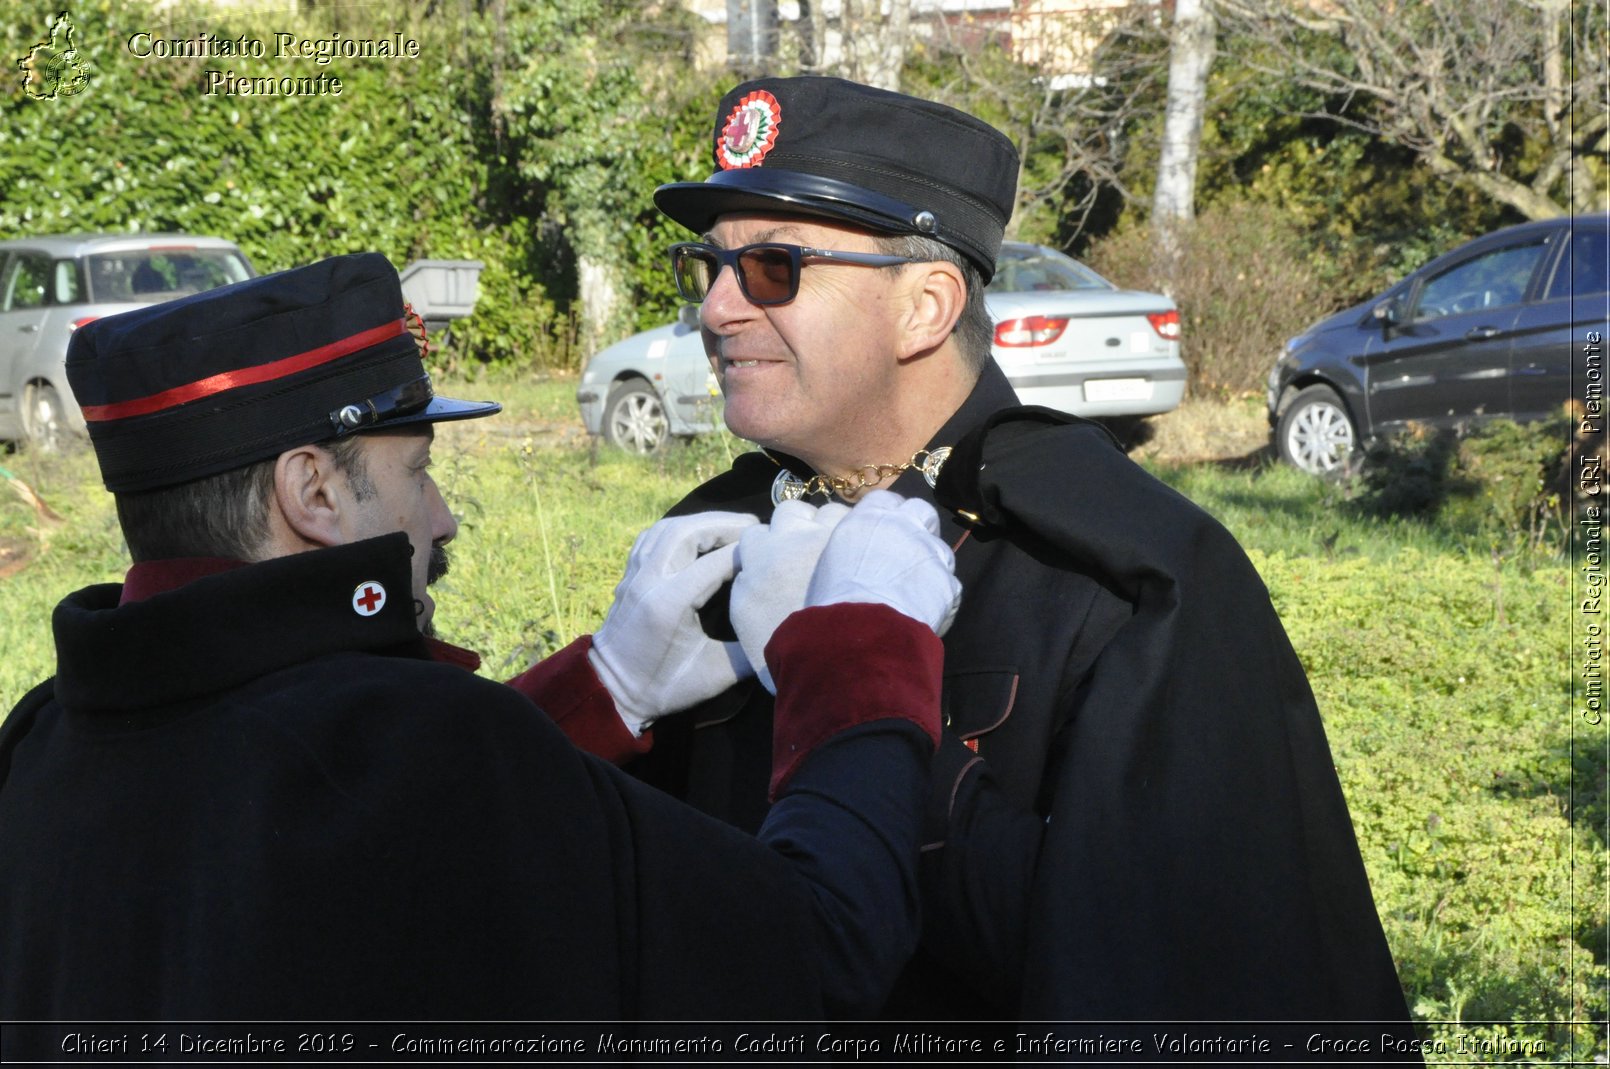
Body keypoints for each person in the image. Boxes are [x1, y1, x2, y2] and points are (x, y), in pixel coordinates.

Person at [616, 75, 1419, 1024]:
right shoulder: (718, 531)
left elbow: (1163, 974)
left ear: (926, 305)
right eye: (707, 266)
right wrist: (609, 708)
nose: (715, 310)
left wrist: (857, 704)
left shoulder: (1131, 571)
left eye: (772, 269)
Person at [0, 252, 963, 1033]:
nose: (445, 517)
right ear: (315, 493)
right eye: (416, 472)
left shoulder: (43, 746)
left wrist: (606, 687)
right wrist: (860, 642)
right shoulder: (415, 745)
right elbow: (822, 954)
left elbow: (377, 847)